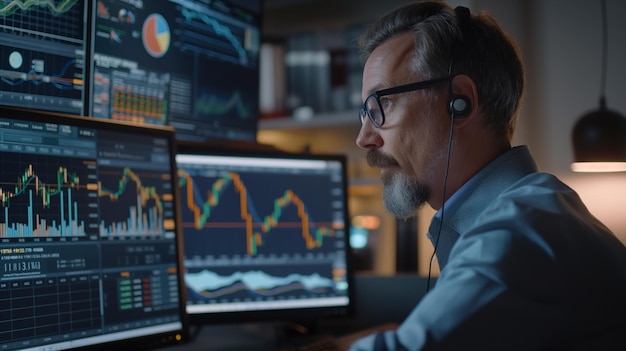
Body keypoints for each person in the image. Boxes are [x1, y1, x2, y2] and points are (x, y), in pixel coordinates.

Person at [348, 1, 626, 350]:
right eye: (365, 113)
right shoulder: (536, 211)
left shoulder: (518, 231)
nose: (364, 138)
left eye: (381, 105)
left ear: (458, 101)